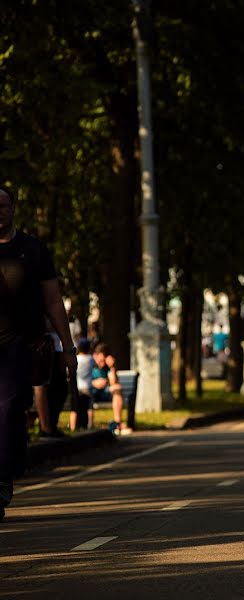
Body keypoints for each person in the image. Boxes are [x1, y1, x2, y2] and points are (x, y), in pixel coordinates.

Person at [0, 185, 76, 522]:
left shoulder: (33, 250)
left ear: (13, 208)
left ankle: (3, 475)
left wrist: (68, 347)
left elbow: (53, 300)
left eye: (2, 205)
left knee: (9, 406)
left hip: (20, 345)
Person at [90, 342, 131, 435]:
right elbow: (82, 381)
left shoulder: (107, 368)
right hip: (90, 392)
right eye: (100, 360)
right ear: (95, 355)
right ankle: (89, 425)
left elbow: (114, 383)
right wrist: (93, 383)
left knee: (117, 388)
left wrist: (112, 367)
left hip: (103, 393)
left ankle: (117, 423)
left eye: (104, 361)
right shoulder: (89, 364)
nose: (102, 363)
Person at [69, 338, 95, 431]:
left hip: (77, 386)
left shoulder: (77, 358)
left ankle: (72, 427)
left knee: (74, 409)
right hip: (87, 387)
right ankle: (90, 425)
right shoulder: (91, 359)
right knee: (89, 407)